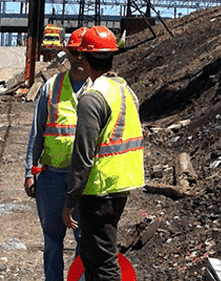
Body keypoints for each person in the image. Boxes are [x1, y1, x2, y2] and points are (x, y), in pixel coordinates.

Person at [61, 26, 144, 281]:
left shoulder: (93, 98)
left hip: (99, 190)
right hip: (121, 184)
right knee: (91, 254)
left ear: (85, 60)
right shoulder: (125, 90)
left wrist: (69, 201)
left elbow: (83, 155)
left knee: (104, 262)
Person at [25, 26, 90, 281]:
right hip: (51, 178)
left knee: (84, 241)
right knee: (52, 241)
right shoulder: (51, 87)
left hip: (84, 180)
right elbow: (36, 134)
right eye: (75, 53)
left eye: (85, 54)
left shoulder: (98, 89)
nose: (79, 59)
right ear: (68, 53)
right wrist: (29, 173)